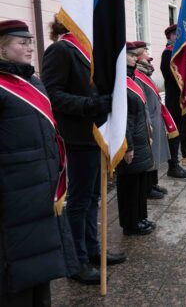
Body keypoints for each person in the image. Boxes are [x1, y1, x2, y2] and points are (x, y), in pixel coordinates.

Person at [0, 20, 80, 306]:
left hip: (41, 188)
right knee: (16, 273)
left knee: (41, 268)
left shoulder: (33, 81)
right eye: (21, 43)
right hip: (13, 193)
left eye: (31, 41)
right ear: (2, 48)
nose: (30, 47)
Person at [42, 15, 126, 285]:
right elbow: (52, 95)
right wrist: (93, 105)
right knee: (79, 202)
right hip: (77, 137)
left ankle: (92, 250)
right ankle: (75, 261)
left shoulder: (89, 50)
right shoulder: (60, 50)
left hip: (96, 136)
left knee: (93, 198)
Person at [117, 42, 155, 236]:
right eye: (131, 55)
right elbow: (122, 119)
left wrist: (148, 133)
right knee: (129, 187)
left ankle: (141, 217)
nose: (135, 58)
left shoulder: (132, 79)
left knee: (140, 183)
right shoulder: (119, 82)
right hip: (130, 142)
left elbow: (142, 112)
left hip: (141, 138)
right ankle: (130, 224)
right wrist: (128, 146)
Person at [133, 42, 171, 200]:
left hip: (155, 117)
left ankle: (153, 183)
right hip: (148, 120)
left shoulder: (145, 72)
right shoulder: (137, 75)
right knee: (150, 155)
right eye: (146, 53)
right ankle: (148, 188)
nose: (149, 57)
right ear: (138, 56)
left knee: (155, 154)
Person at [160, 24, 186, 179]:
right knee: (174, 133)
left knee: (181, 132)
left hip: (182, 99)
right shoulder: (168, 54)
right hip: (174, 99)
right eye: (177, 35)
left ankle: (177, 162)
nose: (180, 38)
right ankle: (173, 166)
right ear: (171, 36)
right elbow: (170, 73)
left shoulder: (179, 53)